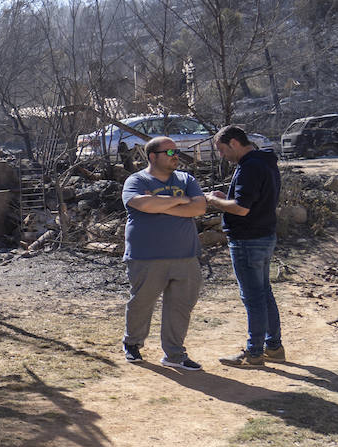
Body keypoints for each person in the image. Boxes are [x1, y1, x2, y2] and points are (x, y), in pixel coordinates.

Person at [121, 136, 209, 370]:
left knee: (180, 308)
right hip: (146, 256)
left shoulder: (186, 179)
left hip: (186, 256)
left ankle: (174, 354)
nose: (175, 156)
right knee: (142, 302)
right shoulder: (136, 180)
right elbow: (143, 205)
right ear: (153, 156)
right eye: (169, 153)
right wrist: (181, 202)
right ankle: (132, 343)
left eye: (176, 152)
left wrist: (161, 204)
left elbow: (199, 207)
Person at [207, 125, 283, 367]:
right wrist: (225, 199)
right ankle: (273, 347)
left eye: (222, 150)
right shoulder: (265, 162)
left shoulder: (249, 167)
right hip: (264, 236)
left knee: (253, 298)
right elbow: (249, 201)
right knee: (264, 293)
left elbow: (241, 208)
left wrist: (214, 202)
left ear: (234, 143)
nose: (222, 155)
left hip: (248, 240)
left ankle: (254, 352)